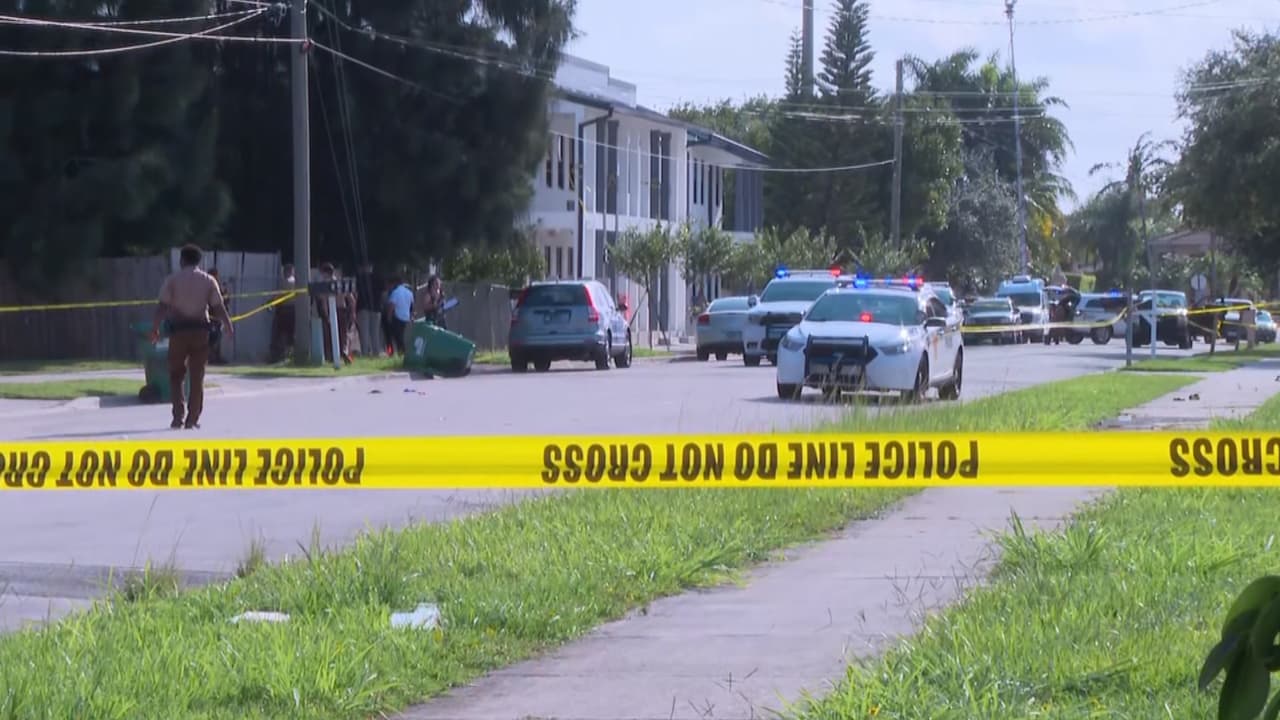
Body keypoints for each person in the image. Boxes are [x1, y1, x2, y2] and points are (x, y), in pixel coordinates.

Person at [151, 244, 233, 430]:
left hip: (178, 331)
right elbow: (218, 307)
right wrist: (228, 326)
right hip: (200, 332)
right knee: (197, 376)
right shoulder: (208, 280)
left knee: (176, 375)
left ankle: (177, 417)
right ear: (199, 261)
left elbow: (162, 306)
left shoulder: (172, 280)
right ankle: (192, 418)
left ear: (182, 260)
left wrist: (155, 328)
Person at [385, 276, 414, 355]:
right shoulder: (409, 293)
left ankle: (397, 353)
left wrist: (388, 318)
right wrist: (411, 317)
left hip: (397, 318)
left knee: (396, 338)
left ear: (395, 283)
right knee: (403, 338)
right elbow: (411, 307)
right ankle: (402, 353)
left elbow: (391, 306)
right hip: (406, 318)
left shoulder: (395, 292)